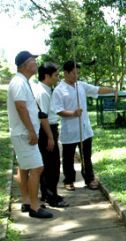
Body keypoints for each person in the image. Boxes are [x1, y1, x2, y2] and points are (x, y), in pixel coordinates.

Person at [52, 60, 116, 191]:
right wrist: (73, 113)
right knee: (68, 158)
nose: (77, 76)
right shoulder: (59, 90)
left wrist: (112, 89)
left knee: (86, 157)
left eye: (78, 73)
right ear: (66, 73)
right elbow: (58, 110)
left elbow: (96, 89)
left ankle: (89, 179)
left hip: (85, 130)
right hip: (70, 131)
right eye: (74, 73)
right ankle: (69, 180)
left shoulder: (81, 85)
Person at [7, 51, 54, 218]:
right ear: (25, 64)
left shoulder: (23, 82)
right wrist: (32, 132)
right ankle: (34, 207)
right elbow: (21, 107)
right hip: (24, 134)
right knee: (37, 168)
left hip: (22, 133)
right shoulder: (19, 82)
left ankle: (27, 201)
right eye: (33, 60)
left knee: (25, 168)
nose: (36, 62)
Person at [35, 62, 69, 207]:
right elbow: (43, 117)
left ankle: (48, 193)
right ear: (47, 76)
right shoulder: (42, 92)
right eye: (56, 75)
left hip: (49, 129)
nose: (58, 77)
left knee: (48, 163)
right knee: (52, 165)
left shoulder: (47, 89)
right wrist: (50, 137)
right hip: (47, 130)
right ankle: (51, 197)